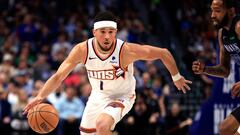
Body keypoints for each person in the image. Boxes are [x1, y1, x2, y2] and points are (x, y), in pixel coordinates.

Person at [23, 11, 192, 135]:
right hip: (98, 96)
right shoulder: (82, 50)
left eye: (110, 32)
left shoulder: (126, 51)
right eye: (102, 32)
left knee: (102, 125)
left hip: (123, 95)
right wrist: (40, 96)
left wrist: (176, 76)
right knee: (87, 133)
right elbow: (59, 76)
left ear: (115, 33)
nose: (106, 36)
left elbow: (163, 53)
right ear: (94, 32)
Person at [192, 0, 240, 135]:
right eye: (212, 10)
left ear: (231, 11)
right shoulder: (222, 34)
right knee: (226, 129)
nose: (212, 15)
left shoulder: (239, 27)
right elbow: (225, 71)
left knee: (226, 128)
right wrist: (205, 69)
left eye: (217, 11)